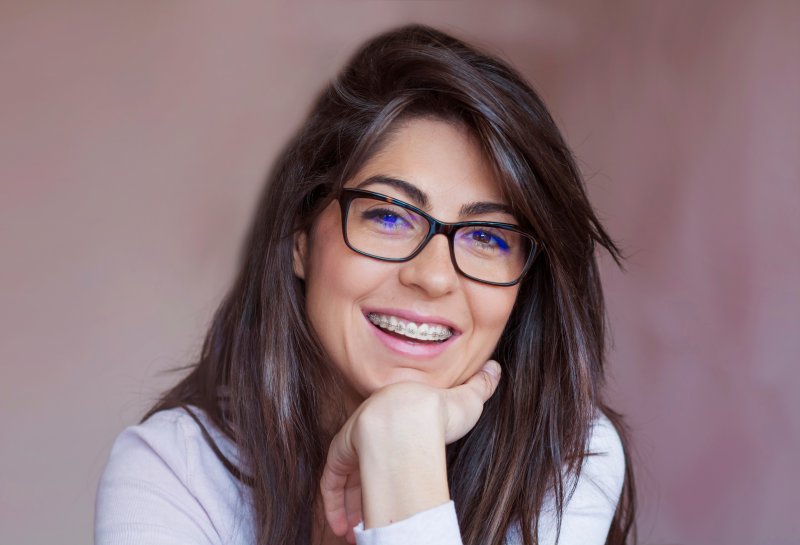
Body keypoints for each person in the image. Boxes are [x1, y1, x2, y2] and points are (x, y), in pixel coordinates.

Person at [95, 24, 635, 545]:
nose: (432, 275)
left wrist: (401, 446)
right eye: (389, 217)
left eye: (488, 237)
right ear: (300, 238)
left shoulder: (566, 459)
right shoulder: (177, 471)